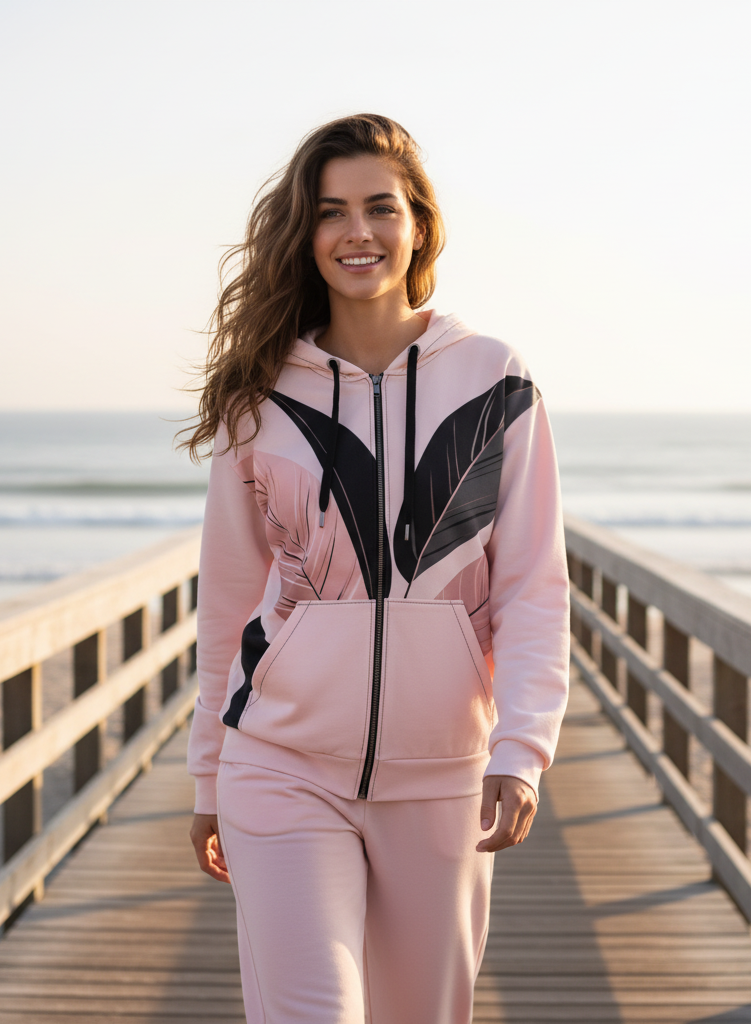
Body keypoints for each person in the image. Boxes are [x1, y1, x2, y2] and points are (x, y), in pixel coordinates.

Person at [183, 113, 570, 1024]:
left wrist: (522, 749)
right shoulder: (263, 392)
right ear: (305, 235)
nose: (357, 231)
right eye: (330, 212)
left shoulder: (494, 381)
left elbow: (532, 586)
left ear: (419, 225)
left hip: (443, 775)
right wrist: (208, 776)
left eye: (380, 208)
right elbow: (228, 601)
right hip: (279, 765)